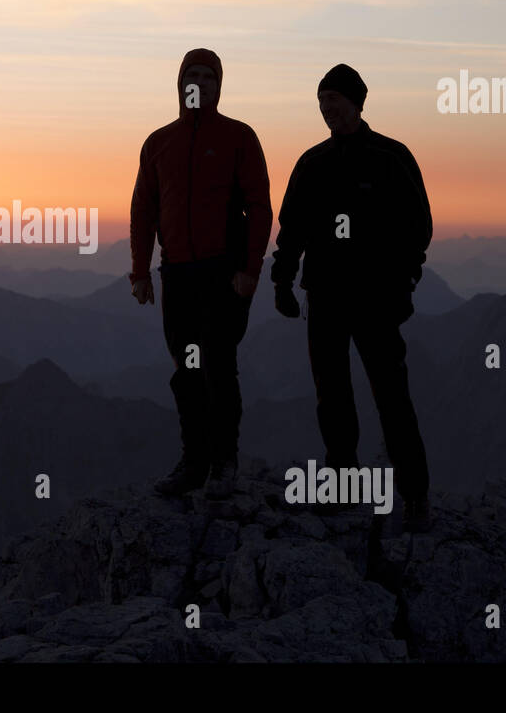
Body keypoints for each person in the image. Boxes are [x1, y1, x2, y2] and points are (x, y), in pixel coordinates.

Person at [269, 63, 434, 531]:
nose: (328, 113)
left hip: (377, 299)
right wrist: (282, 281)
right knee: (332, 394)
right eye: (322, 105)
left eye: (335, 104)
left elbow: (416, 228)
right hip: (324, 296)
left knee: (391, 397)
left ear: (357, 104)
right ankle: (343, 483)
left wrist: (405, 284)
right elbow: (292, 230)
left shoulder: (391, 157)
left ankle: (417, 495)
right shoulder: (312, 163)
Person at [129, 48, 272, 499]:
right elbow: (143, 209)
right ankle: (194, 461)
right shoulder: (158, 143)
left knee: (219, 367)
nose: (200, 82)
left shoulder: (238, 137)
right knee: (186, 370)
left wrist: (251, 270)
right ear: (179, 83)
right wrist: (139, 271)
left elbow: (261, 207)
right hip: (178, 276)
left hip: (223, 275)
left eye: (208, 76)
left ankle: (224, 462)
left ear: (219, 86)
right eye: (192, 74)